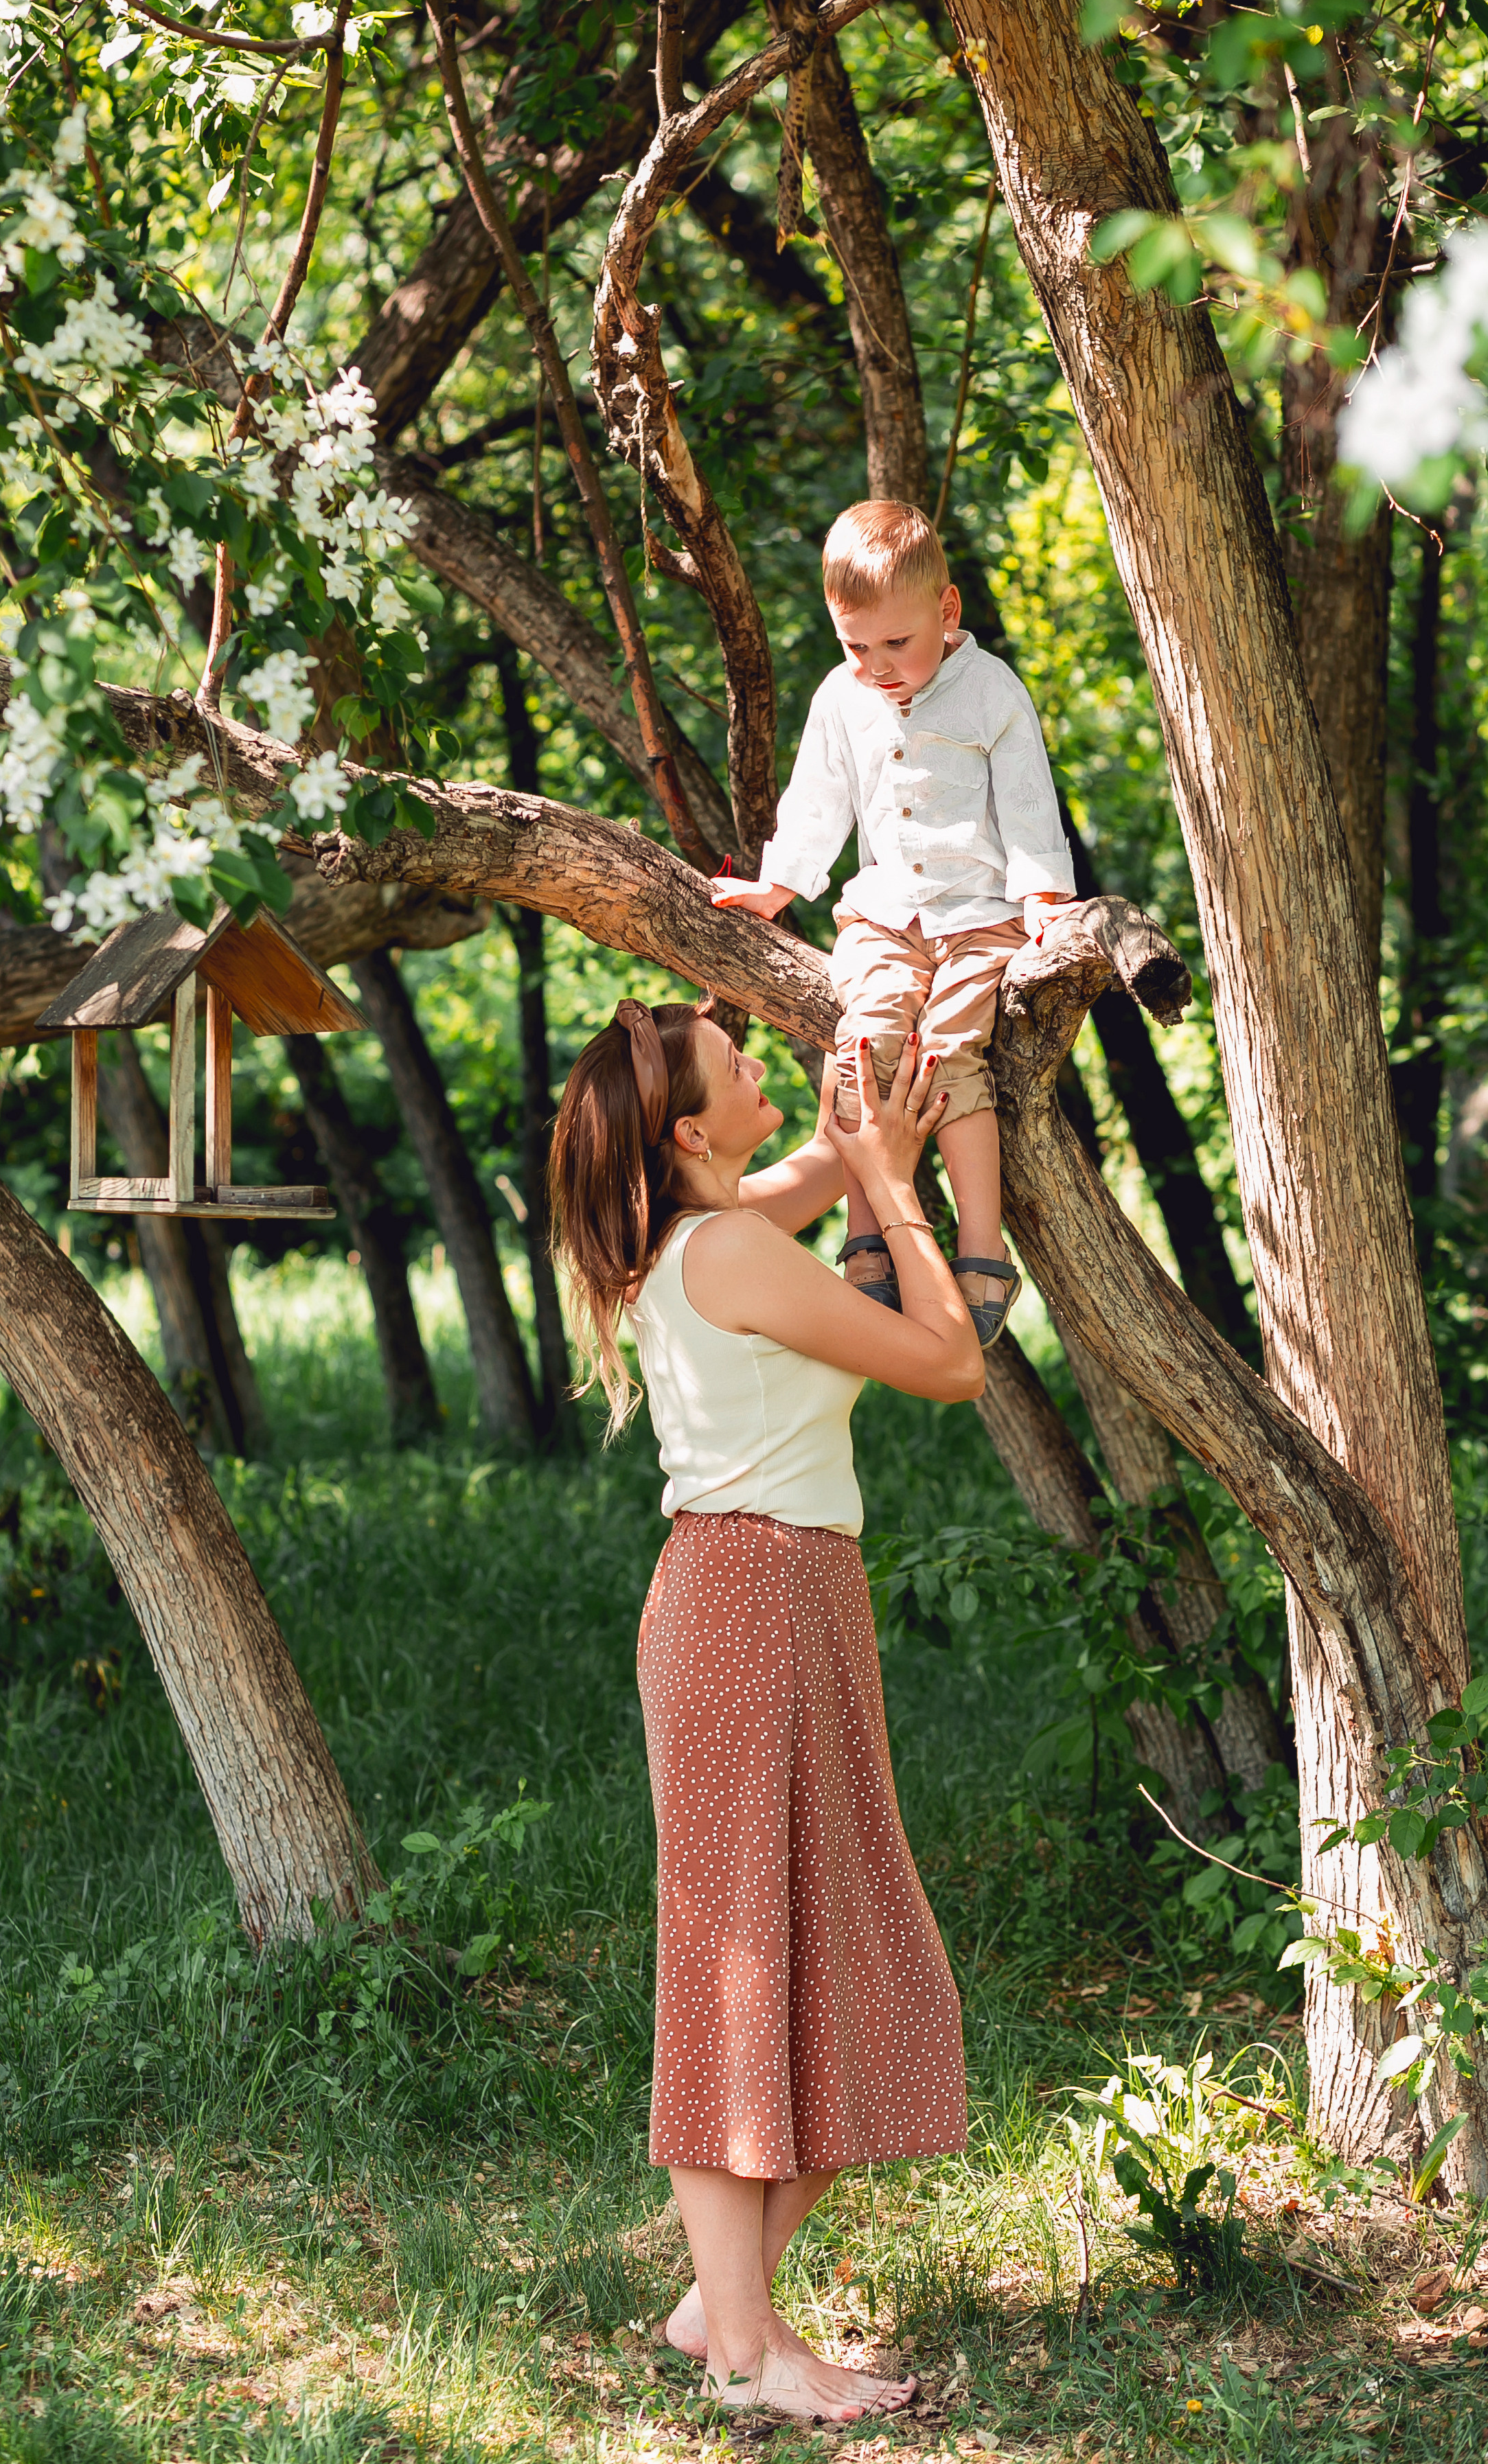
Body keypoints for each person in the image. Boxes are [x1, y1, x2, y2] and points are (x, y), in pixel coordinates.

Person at [548, 995, 983, 2423]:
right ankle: (748, 2355)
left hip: (781, 1600)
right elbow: (948, 1361)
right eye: (735, 1064)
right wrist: (903, 1189)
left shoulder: (715, 1222)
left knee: (843, 1974)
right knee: (735, 1976)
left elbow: (815, 1161)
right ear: (685, 1128)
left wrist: (863, 1133)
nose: (758, 1068)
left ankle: (713, 2308)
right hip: (751, 1602)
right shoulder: (728, 1245)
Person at [711, 498, 1075, 1346]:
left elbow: (1027, 799)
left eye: (895, 644)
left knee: (949, 1053)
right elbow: (818, 800)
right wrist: (781, 883)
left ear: (947, 611)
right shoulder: (843, 698)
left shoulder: (991, 692)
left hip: (979, 916)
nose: (875, 665)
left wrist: (1043, 897)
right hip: (884, 911)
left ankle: (982, 1250)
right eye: (855, 645)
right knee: (864, 1043)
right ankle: (864, 1230)